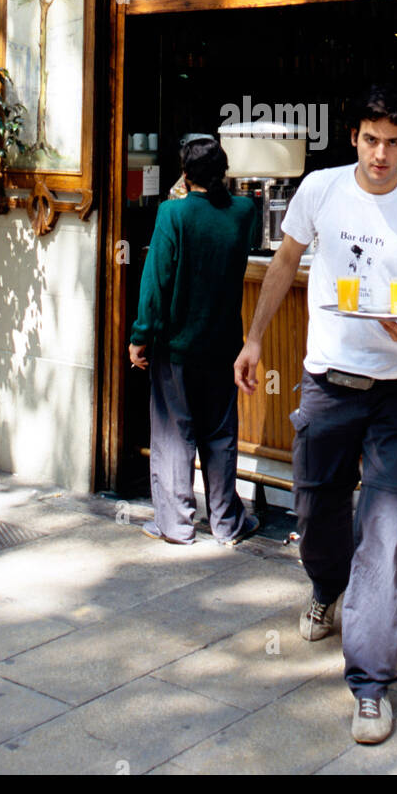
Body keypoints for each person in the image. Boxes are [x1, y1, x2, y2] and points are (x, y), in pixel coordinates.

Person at [234, 86, 397, 743]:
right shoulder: (320, 190)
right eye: (370, 139)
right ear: (354, 138)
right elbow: (284, 264)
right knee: (315, 512)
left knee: (388, 533)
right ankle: (325, 586)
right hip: (326, 387)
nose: (381, 154)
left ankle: (369, 684)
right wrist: (253, 338)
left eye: (393, 142)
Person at [129, 137, 260, 546]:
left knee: (174, 436)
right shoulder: (243, 212)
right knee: (219, 436)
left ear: (185, 175)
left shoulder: (173, 213)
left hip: (177, 345)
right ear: (223, 171)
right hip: (224, 344)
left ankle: (177, 524)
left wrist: (140, 335)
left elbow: (156, 280)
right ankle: (227, 523)